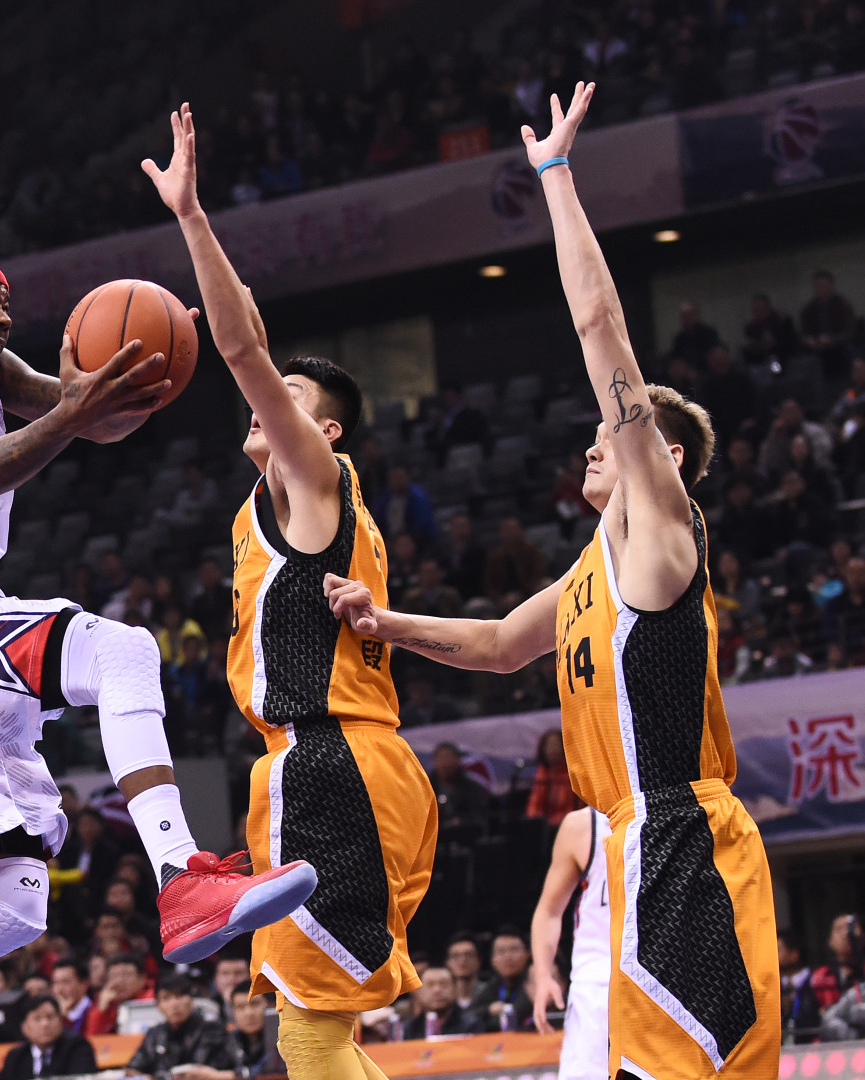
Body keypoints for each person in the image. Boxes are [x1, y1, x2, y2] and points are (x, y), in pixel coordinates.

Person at [325, 84, 781, 1079]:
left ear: (657, 456)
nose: (593, 441)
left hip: (680, 833)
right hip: (621, 850)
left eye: (613, 435)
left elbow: (597, 324)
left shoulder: (664, 533)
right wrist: (379, 619)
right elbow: (492, 647)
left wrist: (555, 178)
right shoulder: (588, 575)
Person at [0, 250, 310, 1002]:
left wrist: (145, 377)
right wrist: (74, 412)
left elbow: (97, 422)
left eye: (6, 302)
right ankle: (180, 875)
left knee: (11, 907)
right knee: (120, 649)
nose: (5, 315)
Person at [146, 102, 435, 1080]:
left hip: (332, 766)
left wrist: (189, 218)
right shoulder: (263, 509)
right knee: (312, 1033)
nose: (266, 405)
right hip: (311, 767)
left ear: (328, 435)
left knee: (309, 1034)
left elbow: (242, 351)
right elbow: (256, 348)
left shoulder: (315, 485)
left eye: (293, 405)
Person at [531, 808, 611, 1080]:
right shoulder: (582, 825)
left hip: (661, 982)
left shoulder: (677, 810)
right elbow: (549, 911)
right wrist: (543, 976)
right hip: (596, 985)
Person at [126, 974, 239, 1080]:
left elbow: (226, 1068)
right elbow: (133, 1069)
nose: (174, 1004)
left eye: (179, 996)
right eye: (166, 998)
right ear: (158, 1006)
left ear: (191, 999)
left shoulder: (212, 1029)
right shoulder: (154, 1034)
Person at [0, 996, 96, 1080]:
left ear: (60, 1021)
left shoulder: (78, 1048)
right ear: (24, 1027)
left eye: (50, 1017)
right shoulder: (16, 1056)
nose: (45, 1024)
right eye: (37, 1018)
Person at [469, 929, 534, 1032]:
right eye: (501, 951)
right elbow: (469, 1015)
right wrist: (488, 1010)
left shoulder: (534, 981)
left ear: (528, 954)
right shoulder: (493, 986)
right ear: (492, 960)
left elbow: (520, 1013)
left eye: (514, 950)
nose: (508, 957)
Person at [84, 954, 155, 1037]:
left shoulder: (153, 1000)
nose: (120, 981)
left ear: (143, 979)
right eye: (114, 976)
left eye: (127, 975)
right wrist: (101, 1010)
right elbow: (92, 1040)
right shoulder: (106, 1004)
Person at [402, 967, 481, 1039]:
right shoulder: (408, 1029)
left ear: (455, 989)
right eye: (430, 985)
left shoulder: (471, 1025)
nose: (437, 990)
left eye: (444, 984)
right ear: (419, 992)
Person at [525, 729, 582, 827]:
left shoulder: (573, 773)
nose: (552, 749)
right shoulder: (542, 774)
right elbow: (534, 806)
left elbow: (578, 807)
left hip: (570, 823)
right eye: (549, 745)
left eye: (556, 744)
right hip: (545, 827)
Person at [778, 931, 821, 1043]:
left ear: (794, 954)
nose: (772, 956)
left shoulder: (816, 979)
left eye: (778, 950)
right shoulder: (773, 986)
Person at [229, 982, 270, 1078]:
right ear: (232, 1012)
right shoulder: (228, 1040)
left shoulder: (284, 1038)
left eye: (255, 1004)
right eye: (240, 1007)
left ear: (269, 1005)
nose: (249, 1013)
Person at [444, 934, 486, 1011]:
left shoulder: (489, 993)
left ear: (479, 961)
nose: (463, 960)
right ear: (447, 963)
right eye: (456, 956)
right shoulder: (442, 998)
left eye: (468, 955)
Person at [49, 960, 91, 1037]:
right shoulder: (49, 1017)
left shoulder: (95, 1012)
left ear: (84, 984)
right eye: (55, 983)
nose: (59, 990)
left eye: (65, 982)